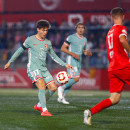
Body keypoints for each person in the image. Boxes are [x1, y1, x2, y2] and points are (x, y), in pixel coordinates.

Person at [4, 20, 73, 116]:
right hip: (33, 68)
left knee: (53, 88)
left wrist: (65, 64)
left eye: (46, 31)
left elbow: (54, 56)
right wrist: (10, 62)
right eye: (43, 30)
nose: (45, 32)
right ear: (38, 29)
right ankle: (44, 111)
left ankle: (40, 105)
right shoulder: (30, 40)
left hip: (43, 69)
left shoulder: (48, 42)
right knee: (41, 86)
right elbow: (19, 51)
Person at [84, 7, 130, 125]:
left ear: (111, 17)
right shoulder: (122, 28)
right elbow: (123, 41)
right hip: (122, 66)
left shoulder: (109, 32)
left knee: (114, 99)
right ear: (123, 17)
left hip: (112, 68)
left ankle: (90, 112)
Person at [57, 22, 92, 104]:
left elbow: (84, 51)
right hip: (71, 59)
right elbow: (63, 48)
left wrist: (88, 53)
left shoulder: (84, 40)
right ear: (76, 29)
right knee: (76, 78)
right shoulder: (71, 37)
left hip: (78, 61)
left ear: (84, 29)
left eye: (82, 28)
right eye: (79, 27)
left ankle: (61, 98)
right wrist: (73, 54)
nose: (80, 29)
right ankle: (61, 88)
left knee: (73, 80)